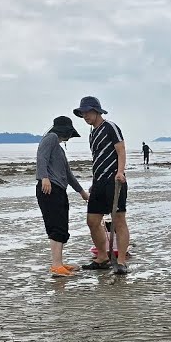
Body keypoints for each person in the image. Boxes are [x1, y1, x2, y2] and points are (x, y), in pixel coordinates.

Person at [74, 96, 130, 275]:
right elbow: (97, 159)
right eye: (82, 113)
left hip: (114, 180)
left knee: (118, 220)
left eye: (88, 112)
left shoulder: (110, 127)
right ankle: (102, 257)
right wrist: (93, 182)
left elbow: (121, 150)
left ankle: (121, 261)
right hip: (98, 183)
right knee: (92, 221)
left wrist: (120, 172)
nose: (85, 116)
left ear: (97, 111)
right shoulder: (92, 133)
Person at [36, 116, 90, 277]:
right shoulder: (51, 137)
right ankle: (56, 266)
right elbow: (41, 157)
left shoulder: (59, 149)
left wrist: (82, 192)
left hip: (59, 190)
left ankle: (59, 263)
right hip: (49, 189)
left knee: (61, 226)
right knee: (56, 226)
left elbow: (68, 174)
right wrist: (44, 177)